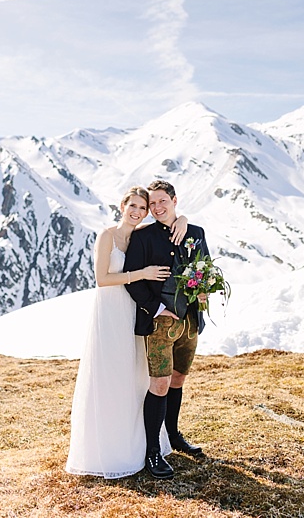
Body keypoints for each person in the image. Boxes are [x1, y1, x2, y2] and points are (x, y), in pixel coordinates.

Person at [66, 186, 187, 478]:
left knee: (134, 377)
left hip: (134, 311)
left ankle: (139, 445)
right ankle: (109, 449)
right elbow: (101, 278)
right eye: (133, 205)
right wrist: (142, 274)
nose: (137, 212)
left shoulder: (140, 234)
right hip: (109, 311)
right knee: (110, 376)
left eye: (142, 208)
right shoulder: (107, 235)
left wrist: (181, 218)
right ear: (122, 206)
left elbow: (168, 220)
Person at [124, 179, 209, 479]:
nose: (158, 207)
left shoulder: (195, 233)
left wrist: (204, 291)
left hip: (190, 322)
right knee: (158, 384)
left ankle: (173, 436)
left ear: (175, 200)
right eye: (154, 203)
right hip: (159, 323)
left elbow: (205, 269)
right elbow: (130, 280)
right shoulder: (143, 237)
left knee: (178, 378)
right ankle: (152, 452)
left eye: (164, 201)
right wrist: (158, 309)